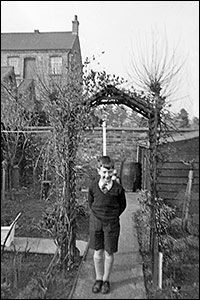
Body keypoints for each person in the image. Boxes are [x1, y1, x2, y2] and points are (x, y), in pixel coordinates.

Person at [88, 155, 126, 294]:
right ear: (98, 171)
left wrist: (112, 216)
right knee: (98, 252)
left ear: (113, 171)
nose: (107, 175)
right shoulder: (93, 186)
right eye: (104, 172)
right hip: (96, 222)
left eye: (109, 172)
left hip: (111, 224)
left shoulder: (118, 189)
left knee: (109, 252)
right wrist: (98, 216)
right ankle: (98, 279)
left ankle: (106, 280)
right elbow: (91, 202)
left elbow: (122, 206)